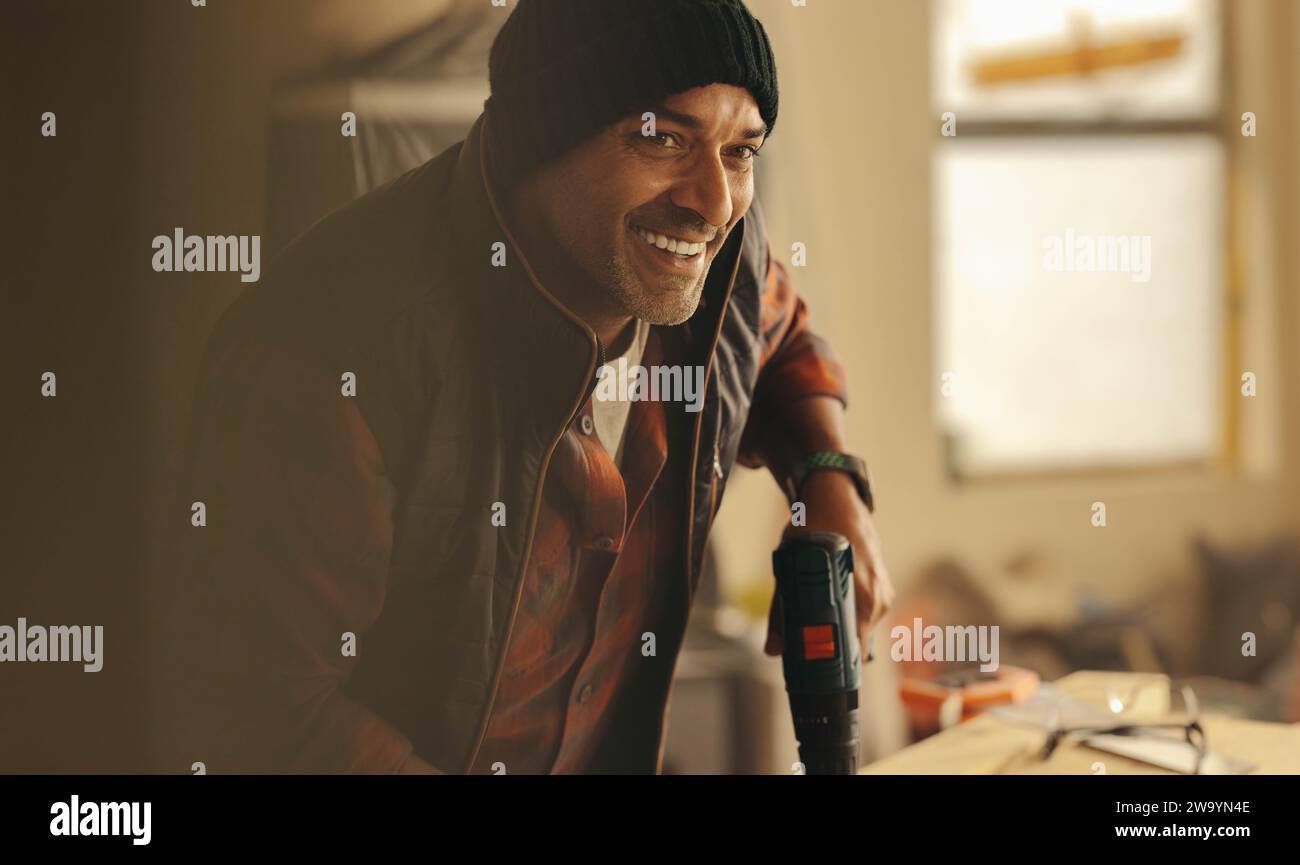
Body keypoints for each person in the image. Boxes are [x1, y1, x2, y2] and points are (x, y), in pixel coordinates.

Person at [174, 0, 893, 775]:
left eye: (741, 151)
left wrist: (829, 478)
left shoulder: (719, 266)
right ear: (545, 134)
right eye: (664, 138)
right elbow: (268, 716)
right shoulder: (326, 355)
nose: (714, 203)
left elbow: (780, 340)